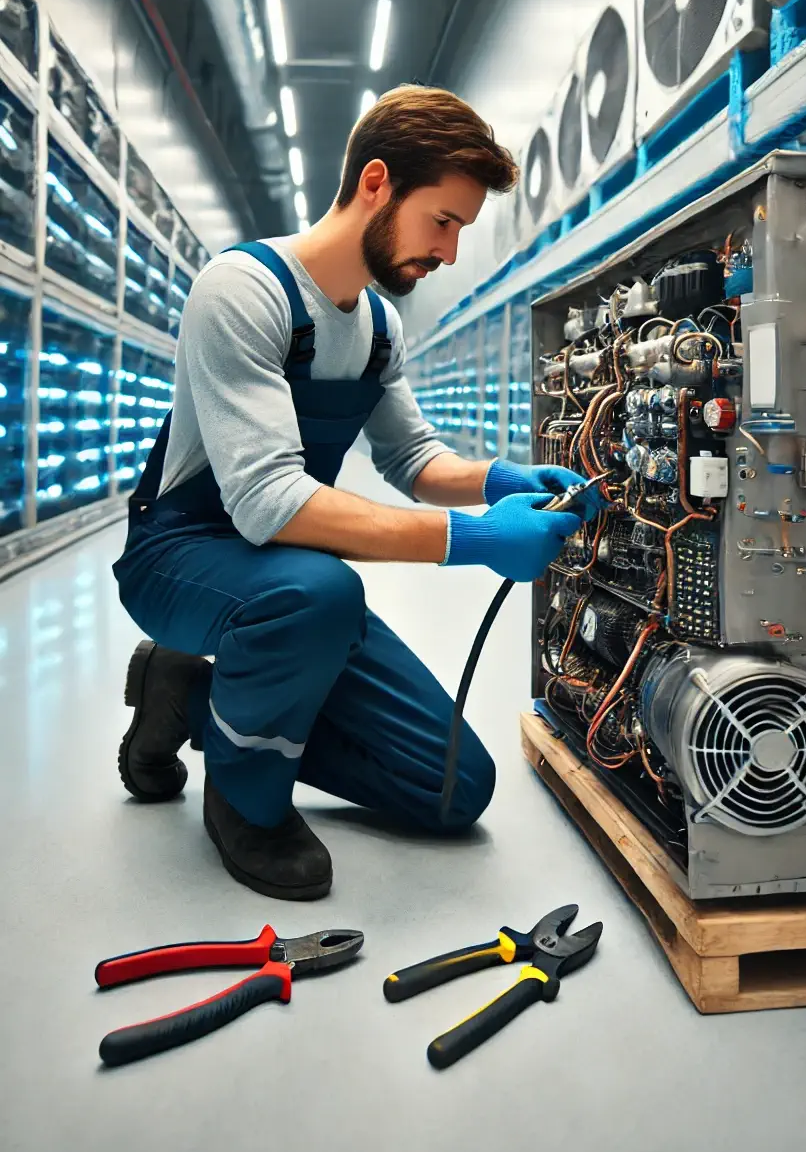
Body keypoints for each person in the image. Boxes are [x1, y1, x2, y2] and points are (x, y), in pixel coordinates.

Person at [113, 85, 597, 900]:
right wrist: (475, 542)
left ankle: (188, 693)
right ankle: (245, 799)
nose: (448, 252)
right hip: (183, 555)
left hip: (283, 577)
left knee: (453, 789)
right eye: (442, 221)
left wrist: (502, 480)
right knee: (320, 592)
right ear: (377, 182)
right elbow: (268, 503)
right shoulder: (242, 291)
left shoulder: (377, 327)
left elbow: (413, 457)